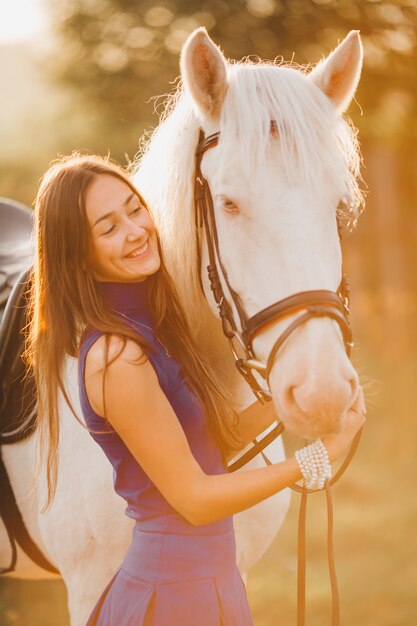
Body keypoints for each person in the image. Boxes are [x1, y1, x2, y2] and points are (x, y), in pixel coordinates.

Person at [27, 153, 366, 625]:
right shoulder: (118, 357)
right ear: (77, 254)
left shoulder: (151, 327)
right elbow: (194, 498)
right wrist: (316, 458)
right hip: (172, 598)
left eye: (134, 208)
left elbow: (211, 442)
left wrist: (290, 401)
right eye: (108, 228)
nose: (136, 230)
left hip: (208, 583)